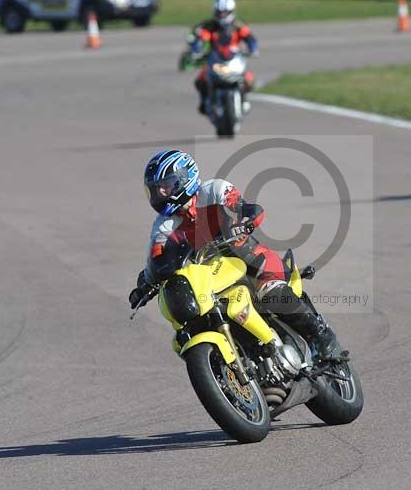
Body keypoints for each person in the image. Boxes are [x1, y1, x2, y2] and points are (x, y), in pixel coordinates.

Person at [129, 150, 343, 361]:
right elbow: (158, 257)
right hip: (212, 274)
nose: (160, 195)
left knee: (272, 293)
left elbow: (243, 206)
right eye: (156, 190)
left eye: (165, 187)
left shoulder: (213, 190)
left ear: (184, 178)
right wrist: (146, 282)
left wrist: (245, 220)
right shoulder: (163, 226)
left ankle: (321, 337)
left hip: (247, 256)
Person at [186, 0, 258, 115]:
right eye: (219, 13)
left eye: (225, 13)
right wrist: (196, 51)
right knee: (200, 80)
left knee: (249, 79)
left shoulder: (238, 26)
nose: (222, 15)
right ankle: (204, 102)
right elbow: (201, 39)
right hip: (215, 60)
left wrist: (253, 49)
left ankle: (244, 99)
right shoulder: (209, 26)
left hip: (234, 60)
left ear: (231, 12)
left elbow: (250, 39)